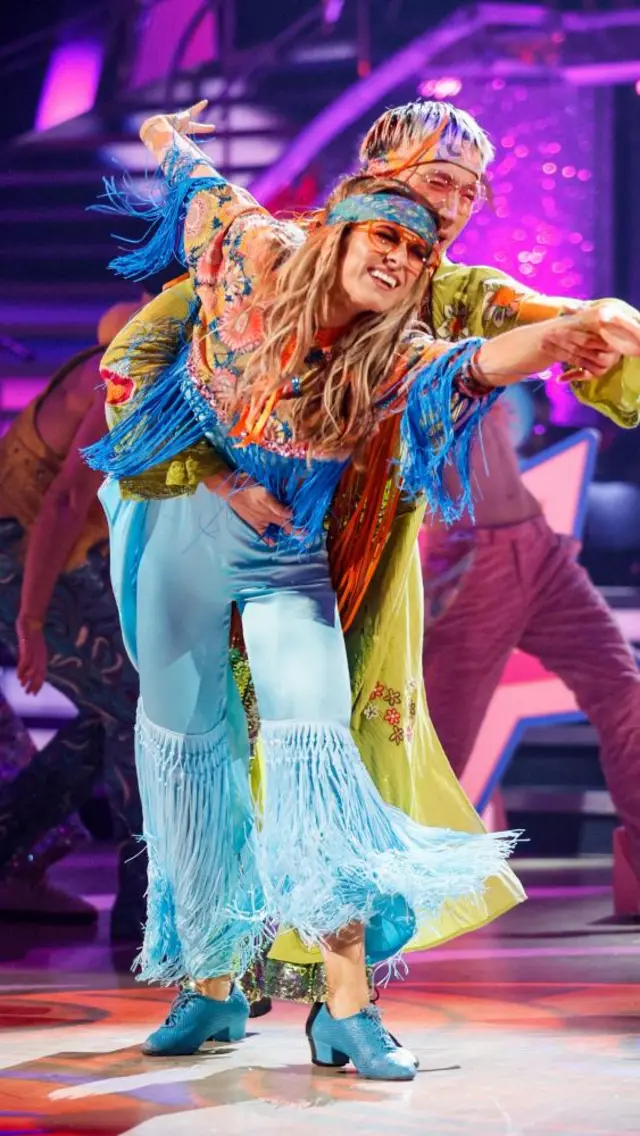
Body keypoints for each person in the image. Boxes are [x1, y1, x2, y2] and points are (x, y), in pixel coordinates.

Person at [86, 104, 640, 1076]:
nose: (451, 204)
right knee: (206, 755)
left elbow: (509, 325)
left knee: (340, 766)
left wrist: (583, 326)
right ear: (377, 169)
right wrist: (160, 133)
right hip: (216, 530)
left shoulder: (437, 289)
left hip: (357, 558)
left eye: (469, 192)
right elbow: (156, 301)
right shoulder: (272, 251)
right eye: (437, 176)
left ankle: (345, 1002)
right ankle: (212, 982)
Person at [0, 301, 146, 937]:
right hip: (21, 557)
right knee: (137, 706)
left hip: (50, 556)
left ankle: (7, 850)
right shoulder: (130, 365)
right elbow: (64, 500)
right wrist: (30, 621)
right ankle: (146, 904)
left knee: (109, 711)